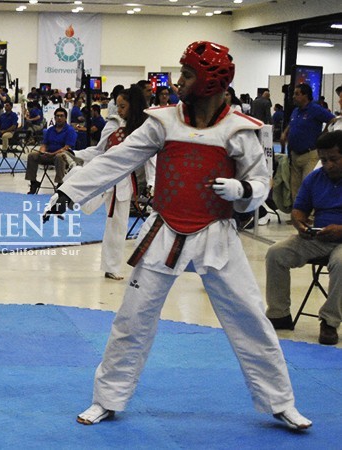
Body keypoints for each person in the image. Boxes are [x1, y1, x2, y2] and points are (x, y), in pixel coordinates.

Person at [44, 41, 312, 430]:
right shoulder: (162, 121)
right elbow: (119, 159)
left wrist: (244, 192)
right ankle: (108, 398)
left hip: (217, 234)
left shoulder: (240, 129)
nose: (178, 81)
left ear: (209, 82)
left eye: (187, 75)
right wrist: (69, 191)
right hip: (165, 230)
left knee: (251, 318)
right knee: (132, 319)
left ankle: (280, 401)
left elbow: (260, 182)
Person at [265, 130, 342, 345]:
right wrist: (300, 224)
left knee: (341, 263)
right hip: (318, 236)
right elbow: (299, 210)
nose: (328, 165)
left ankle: (329, 322)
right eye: (323, 159)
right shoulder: (314, 179)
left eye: (333, 159)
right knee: (276, 253)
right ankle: (279, 313)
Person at [72, 85, 153, 280]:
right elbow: (99, 150)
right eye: (117, 106)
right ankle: (73, 174)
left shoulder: (143, 127)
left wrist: (152, 183)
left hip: (123, 179)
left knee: (115, 222)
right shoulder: (112, 124)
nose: (119, 110)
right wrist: (75, 154)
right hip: (106, 173)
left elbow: (152, 159)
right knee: (97, 211)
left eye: (123, 106)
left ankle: (112, 266)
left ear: (133, 106)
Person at [281, 83, 337, 201]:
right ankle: (297, 216)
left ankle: (310, 217)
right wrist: (285, 133)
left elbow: (333, 120)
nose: (293, 97)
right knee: (295, 188)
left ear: (306, 95)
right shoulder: (296, 111)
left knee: (308, 186)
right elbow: (291, 124)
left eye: (297, 94)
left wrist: (325, 133)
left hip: (310, 155)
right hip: (295, 155)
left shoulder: (315, 109)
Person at [24, 107, 77, 194]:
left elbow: (67, 147)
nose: (59, 118)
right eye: (57, 116)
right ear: (54, 118)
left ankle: (60, 183)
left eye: (61, 116)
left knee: (59, 156)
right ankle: (33, 182)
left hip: (64, 156)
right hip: (49, 154)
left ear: (65, 118)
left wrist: (53, 154)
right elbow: (44, 144)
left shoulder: (70, 130)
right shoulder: (50, 130)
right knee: (32, 155)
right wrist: (42, 151)